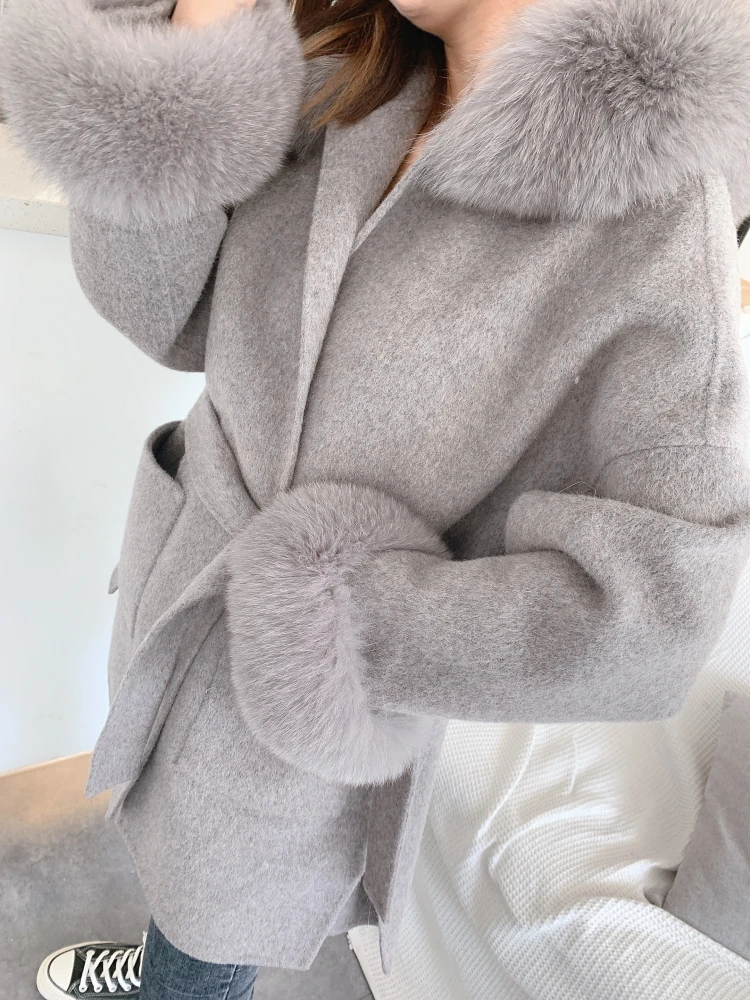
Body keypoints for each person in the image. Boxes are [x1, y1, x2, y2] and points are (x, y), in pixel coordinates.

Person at [2, 0, 750, 996]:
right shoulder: (354, 74)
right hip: (180, 585)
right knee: (168, 857)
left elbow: (658, 610)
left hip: (297, 703)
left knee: (211, 930)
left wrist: (346, 621)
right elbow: (166, 314)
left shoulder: (656, 208)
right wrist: (193, 44)